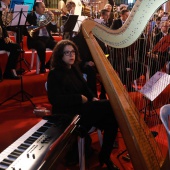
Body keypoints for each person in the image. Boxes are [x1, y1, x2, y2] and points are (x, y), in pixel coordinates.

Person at [47, 39, 119, 170]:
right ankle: (103, 156)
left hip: (83, 110)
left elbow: (85, 88)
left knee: (112, 120)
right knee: (111, 105)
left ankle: (105, 156)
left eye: (73, 52)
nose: (71, 55)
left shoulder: (74, 69)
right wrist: (78, 98)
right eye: (67, 53)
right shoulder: (54, 74)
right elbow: (55, 100)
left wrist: (92, 97)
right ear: (60, 55)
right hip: (69, 115)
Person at [26, 1, 58, 73]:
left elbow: (54, 30)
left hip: (47, 38)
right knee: (41, 45)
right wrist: (42, 20)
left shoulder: (46, 16)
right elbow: (28, 30)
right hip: (35, 39)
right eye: (42, 7)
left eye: (44, 7)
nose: (44, 9)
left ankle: (49, 64)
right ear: (36, 8)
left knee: (58, 45)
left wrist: (52, 20)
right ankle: (42, 66)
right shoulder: (30, 16)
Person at [0, 0, 21, 80]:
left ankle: (8, 72)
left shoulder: (6, 7)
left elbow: (2, 24)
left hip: (1, 38)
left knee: (16, 47)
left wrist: (6, 36)